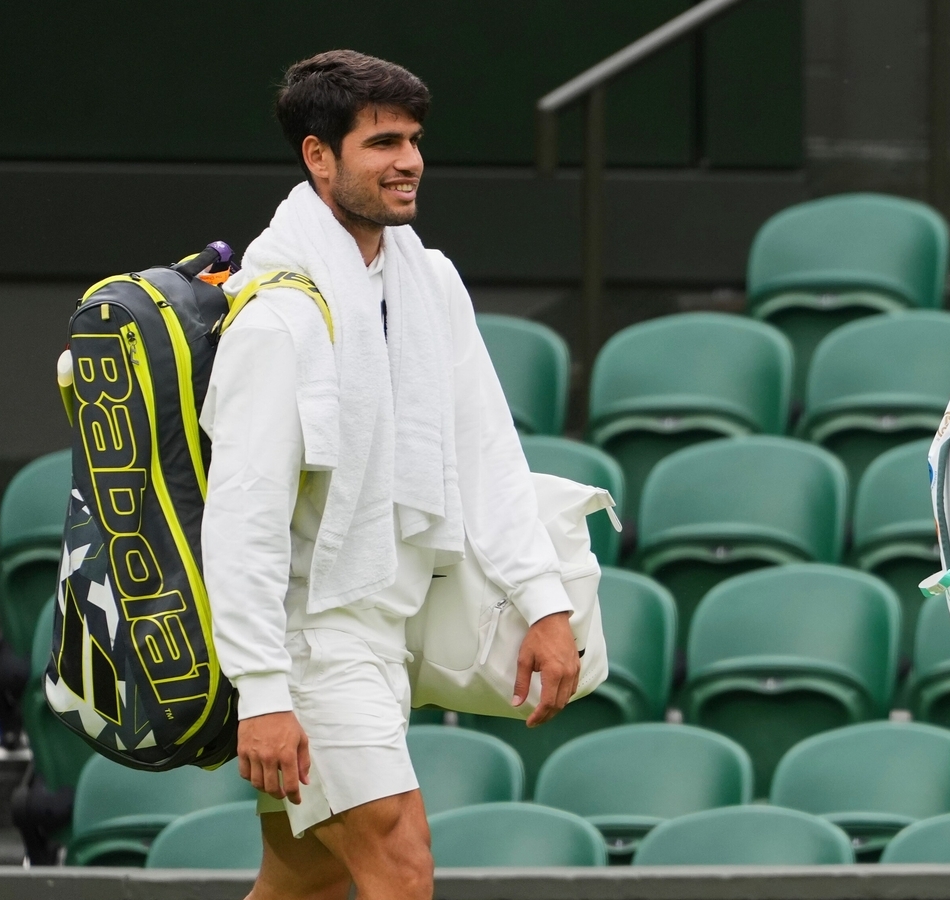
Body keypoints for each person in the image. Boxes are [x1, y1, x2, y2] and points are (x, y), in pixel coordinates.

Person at [200, 50, 580, 900]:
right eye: (381, 143)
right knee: (401, 867)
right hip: (307, 644)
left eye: (412, 139)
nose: (407, 160)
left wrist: (545, 602)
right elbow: (244, 517)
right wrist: (262, 691)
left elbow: (487, 447)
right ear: (318, 156)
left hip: (382, 632)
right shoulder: (277, 315)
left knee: (305, 884)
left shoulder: (427, 279)